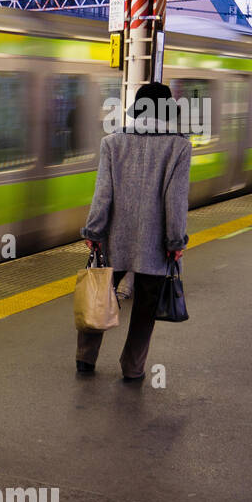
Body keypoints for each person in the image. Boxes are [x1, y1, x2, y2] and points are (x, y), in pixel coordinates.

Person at [77, 81, 191, 381]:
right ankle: (133, 367)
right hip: (155, 245)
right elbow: (175, 201)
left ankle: (85, 358)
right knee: (145, 308)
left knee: (100, 294)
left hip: (115, 240)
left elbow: (103, 195)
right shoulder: (179, 146)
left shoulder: (112, 143)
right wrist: (176, 240)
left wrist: (94, 232)